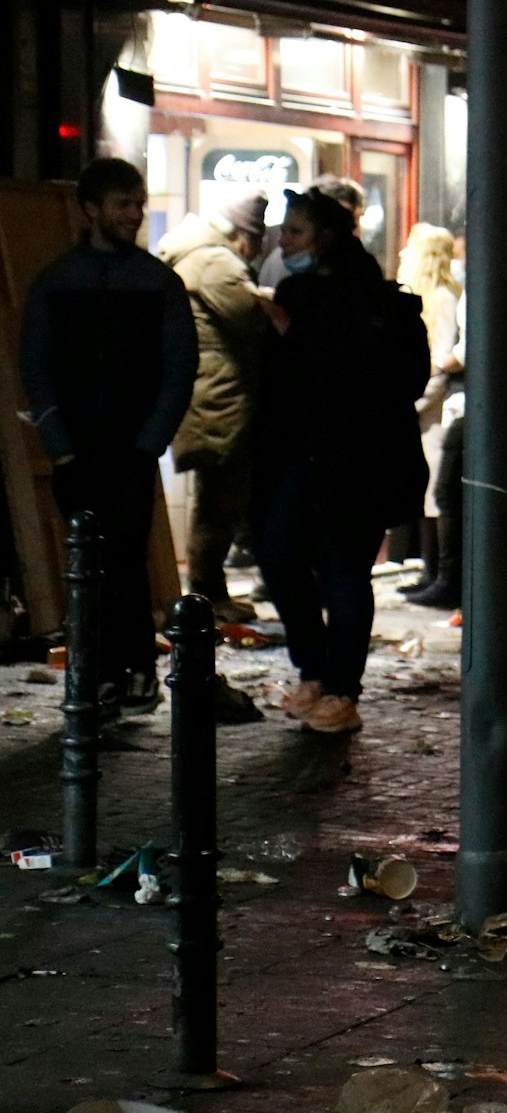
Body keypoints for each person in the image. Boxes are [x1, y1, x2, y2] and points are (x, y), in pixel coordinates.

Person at [20, 157, 197, 713]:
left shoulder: (154, 281)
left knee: (122, 561)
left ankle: (133, 670)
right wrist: (59, 442)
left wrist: (149, 442)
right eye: (123, 204)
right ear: (91, 208)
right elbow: (35, 367)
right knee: (92, 567)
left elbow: (179, 366)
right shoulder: (60, 282)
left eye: (138, 204)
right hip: (83, 446)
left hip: (125, 445)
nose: (135, 215)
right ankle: (106, 672)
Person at [252, 188, 429, 734]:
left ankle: (341, 690)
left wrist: (295, 334)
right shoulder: (298, 291)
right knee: (280, 556)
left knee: (345, 570)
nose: (285, 241)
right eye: (284, 231)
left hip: (357, 461)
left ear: (325, 239)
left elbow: (378, 381)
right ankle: (317, 671)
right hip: (302, 456)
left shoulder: (373, 303)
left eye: (296, 232)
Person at [158, 191, 268, 624]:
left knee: (217, 499)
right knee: (219, 500)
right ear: (244, 236)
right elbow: (251, 315)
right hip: (220, 395)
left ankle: (209, 589)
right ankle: (207, 593)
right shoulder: (213, 262)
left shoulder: (199, 256)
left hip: (211, 391)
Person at [395, 222, 461, 598]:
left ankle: (437, 574)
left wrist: (416, 401)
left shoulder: (441, 298)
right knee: (426, 490)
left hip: (433, 408)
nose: (404, 254)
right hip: (423, 405)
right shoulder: (426, 295)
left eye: (411, 248)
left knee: (436, 491)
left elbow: (441, 358)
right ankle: (429, 571)